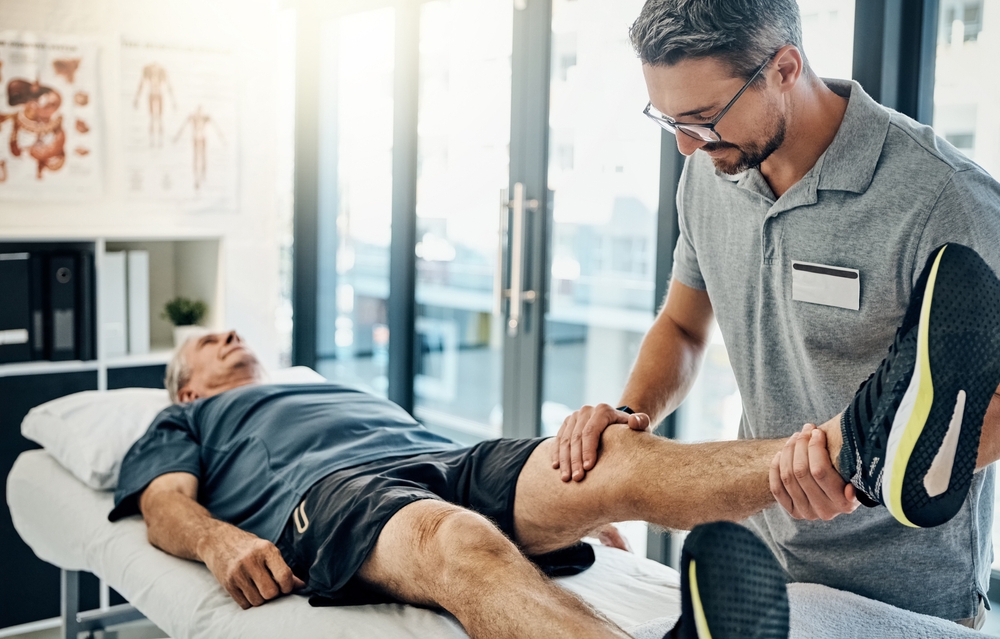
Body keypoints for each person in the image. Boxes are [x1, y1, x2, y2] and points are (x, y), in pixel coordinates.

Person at [111, 238, 999, 639]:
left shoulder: (325, 382)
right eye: (210, 343)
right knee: (447, 539)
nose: (232, 340)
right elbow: (162, 505)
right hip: (340, 495)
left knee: (611, 455)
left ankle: (860, 446)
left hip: (448, 454)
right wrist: (222, 541)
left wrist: (566, 514)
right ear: (188, 382)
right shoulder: (189, 418)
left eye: (235, 333)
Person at [553, 0, 1000, 627]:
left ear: (785, 68)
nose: (685, 143)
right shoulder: (709, 173)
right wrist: (630, 413)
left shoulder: (944, 197)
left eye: (702, 118)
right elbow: (682, 325)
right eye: (668, 119)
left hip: (904, 593)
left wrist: (861, 473)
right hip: (757, 569)